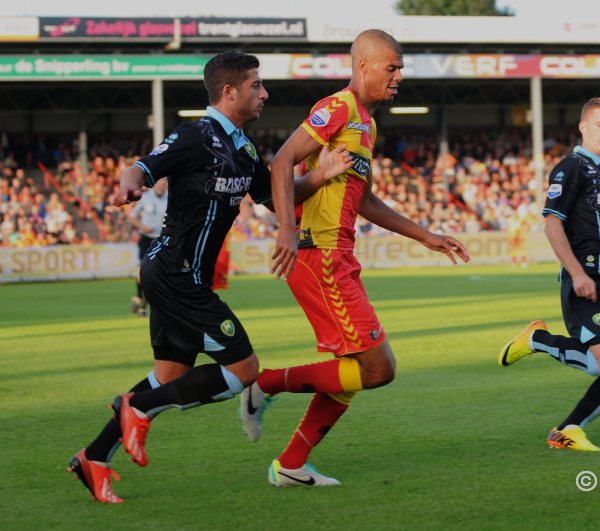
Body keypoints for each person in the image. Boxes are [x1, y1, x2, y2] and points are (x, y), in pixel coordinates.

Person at [67, 51, 352, 504]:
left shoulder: (243, 148)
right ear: (229, 91)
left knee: (170, 374)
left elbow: (277, 197)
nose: (265, 93)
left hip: (184, 278)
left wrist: (322, 174)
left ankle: (94, 458)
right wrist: (128, 184)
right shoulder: (195, 135)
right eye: (256, 85)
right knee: (244, 370)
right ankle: (134, 408)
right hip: (173, 272)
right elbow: (143, 166)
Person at [239, 29, 470, 487]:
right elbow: (281, 163)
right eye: (392, 66)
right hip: (320, 255)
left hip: (338, 255)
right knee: (378, 368)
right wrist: (287, 228)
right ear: (363, 65)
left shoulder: (367, 122)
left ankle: (290, 464)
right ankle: (263, 385)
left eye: (400, 68)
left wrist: (426, 236)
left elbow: (364, 200)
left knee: (358, 370)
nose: (399, 76)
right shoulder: (338, 107)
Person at [498, 97, 600, 452]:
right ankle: (537, 340)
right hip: (585, 282)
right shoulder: (573, 167)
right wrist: (578, 273)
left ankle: (568, 429)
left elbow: (594, 235)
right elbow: (553, 225)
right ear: (583, 126)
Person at [128, 177, 168, 316]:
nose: (162, 186)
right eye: (160, 184)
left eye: (164, 184)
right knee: (142, 272)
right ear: (154, 184)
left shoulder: (171, 197)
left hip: (163, 239)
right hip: (146, 239)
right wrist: (142, 227)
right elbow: (132, 216)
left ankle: (142, 306)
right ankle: (139, 298)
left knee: (156, 274)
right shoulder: (145, 197)